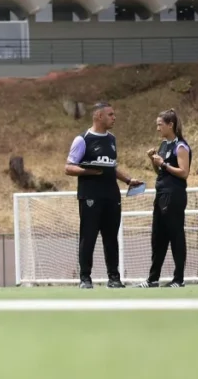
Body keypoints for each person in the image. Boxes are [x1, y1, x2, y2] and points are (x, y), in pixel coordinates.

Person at [65, 101, 144, 289]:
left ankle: (114, 278)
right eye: (110, 114)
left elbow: (111, 167)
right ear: (98, 116)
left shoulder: (111, 139)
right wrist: (89, 172)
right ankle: (85, 278)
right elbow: (68, 167)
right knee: (88, 236)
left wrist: (127, 180)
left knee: (111, 238)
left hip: (111, 195)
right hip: (90, 195)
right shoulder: (82, 139)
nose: (114, 118)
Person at [138, 108, 191, 288]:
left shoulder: (181, 146)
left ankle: (179, 279)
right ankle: (153, 278)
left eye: (160, 125)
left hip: (174, 195)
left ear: (171, 125)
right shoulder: (163, 145)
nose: (158, 128)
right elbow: (160, 171)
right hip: (161, 194)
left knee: (175, 235)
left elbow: (184, 173)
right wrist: (154, 161)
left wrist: (165, 164)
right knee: (158, 236)